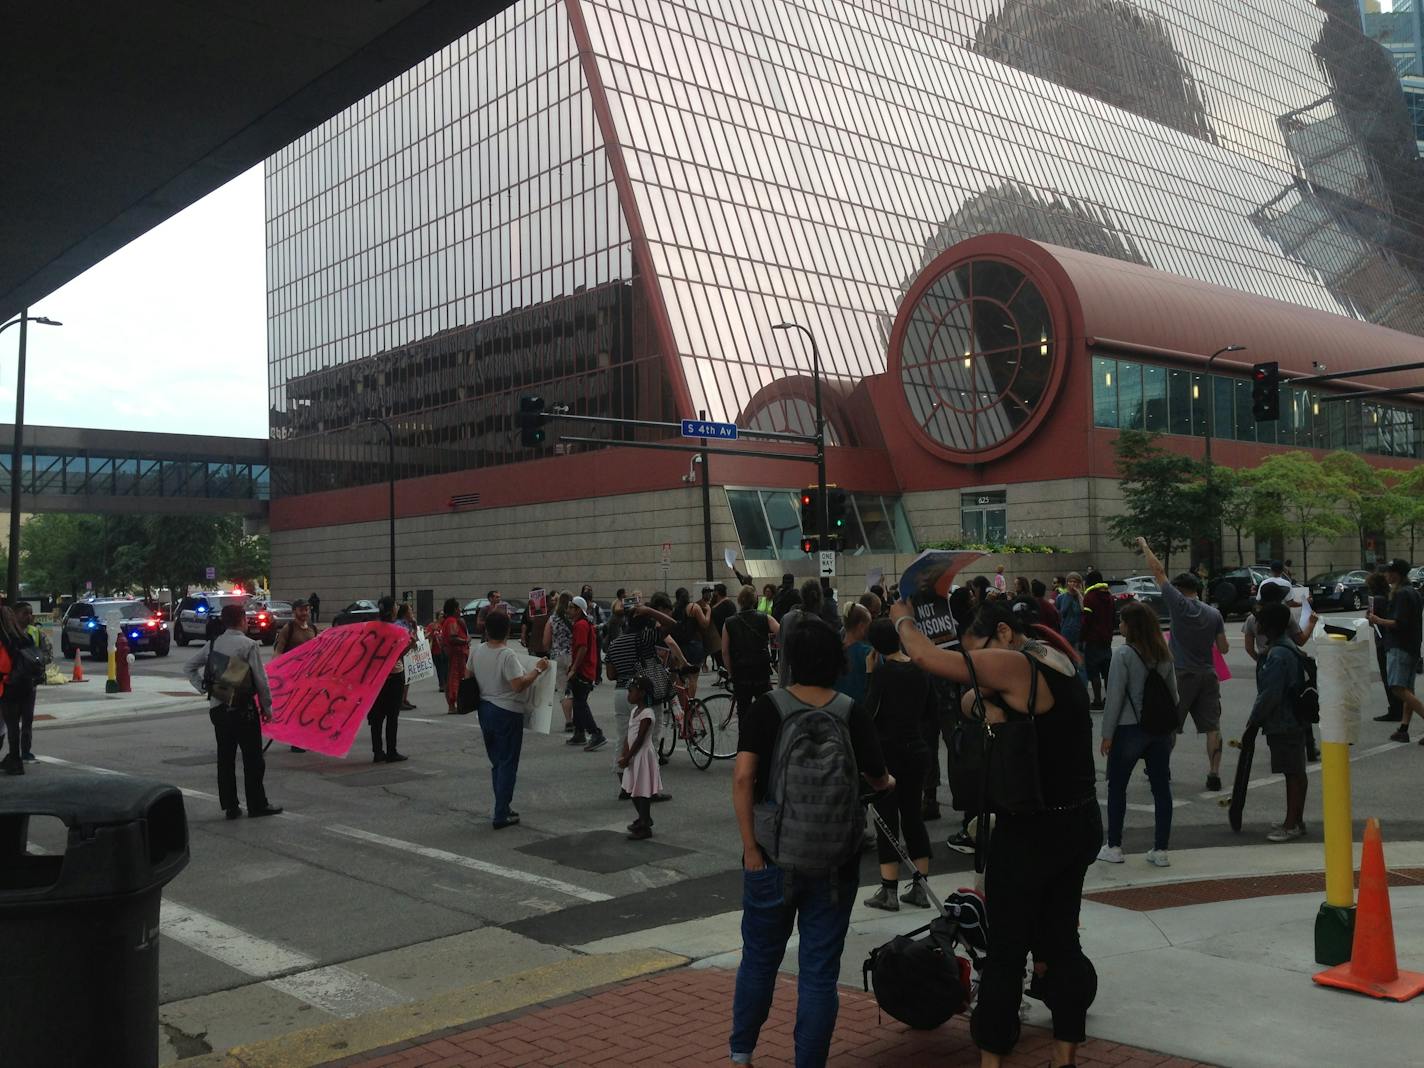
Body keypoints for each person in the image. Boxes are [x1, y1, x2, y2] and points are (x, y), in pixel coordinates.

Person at [890, 598, 1099, 1068]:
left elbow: (928, 660)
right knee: (1061, 943)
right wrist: (977, 700)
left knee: (1006, 952)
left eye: (980, 653)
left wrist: (902, 614)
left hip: (1031, 830)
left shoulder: (1014, 665)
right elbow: (973, 699)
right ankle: (1064, 1055)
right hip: (1079, 820)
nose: (979, 666)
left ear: (1003, 634)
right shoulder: (1054, 656)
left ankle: (992, 1061)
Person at [730, 616, 893, 1068]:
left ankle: (742, 1053)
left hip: (771, 857)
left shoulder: (768, 707)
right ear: (836, 661)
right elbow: (878, 778)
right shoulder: (850, 710)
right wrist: (887, 781)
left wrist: (750, 850)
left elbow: (744, 777)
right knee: (819, 974)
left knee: (759, 961)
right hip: (835, 865)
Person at [1139, 537, 1230, 792]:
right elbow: (1223, 647)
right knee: (1212, 726)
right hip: (1208, 675)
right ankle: (1214, 773)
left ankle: (1162, 768)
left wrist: (1145, 545)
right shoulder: (1214, 614)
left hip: (1182, 674)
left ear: (1179, 590)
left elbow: (1158, 571)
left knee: (1170, 725)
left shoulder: (1178, 605)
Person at [861, 617, 935, 911]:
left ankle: (888, 890)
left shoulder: (881, 674)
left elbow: (868, 713)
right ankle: (921, 886)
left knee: (887, 819)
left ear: (875, 646)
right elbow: (930, 713)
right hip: (916, 749)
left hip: (888, 752)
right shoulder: (920, 670)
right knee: (913, 816)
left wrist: (869, 674)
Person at [1098, 601, 1178, 867]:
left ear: (1130, 626)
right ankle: (1160, 849)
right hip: (1158, 730)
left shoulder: (1123, 654)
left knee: (1118, 787)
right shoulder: (1164, 652)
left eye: (1121, 621)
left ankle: (1114, 845)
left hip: (1128, 727)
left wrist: (1107, 733)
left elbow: (1115, 697)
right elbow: (1173, 695)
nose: (1119, 625)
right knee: (1161, 788)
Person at [184, 603, 282, 818]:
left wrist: (202, 687)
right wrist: (267, 708)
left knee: (225, 758)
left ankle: (230, 806)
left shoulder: (212, 645)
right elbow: (261, 680)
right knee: (253, 758)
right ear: (241, 620)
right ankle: (257, 804)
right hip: (244, 710)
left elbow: (189, 666)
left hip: (218, 709)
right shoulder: (248, 645)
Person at [470, 610, 549, 829]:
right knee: (507, 763)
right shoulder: (507, 655)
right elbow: (518, 684)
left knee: (497, 761)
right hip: (506, 711)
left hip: (485, 709)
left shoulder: (476, 651)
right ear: (507, 630)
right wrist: (537, 670)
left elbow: (468, 676)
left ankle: (502, 805)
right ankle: (501, 812)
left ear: (486, 629)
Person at [1249, 603, 1310, 841]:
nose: (1257, 625)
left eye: (1260, 621)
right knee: (1294, 771)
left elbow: (1270, 694)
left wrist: (1254, 719)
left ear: (1270, 626)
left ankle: (1291, 824)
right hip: (1294, 718)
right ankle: (1295, 818)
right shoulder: (1287, 648)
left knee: (1293, 772)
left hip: (1284, 720)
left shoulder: (1277, 654)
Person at [1369, 559, 1424, 743]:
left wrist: (1378, 620)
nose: (1386, 575)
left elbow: (1399, 623)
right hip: (1412, 645)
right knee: (1407, 689)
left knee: (1397, 687)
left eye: (1389, 572)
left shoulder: (1401, 594)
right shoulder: (1413, 592)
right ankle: (1403, 728)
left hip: (1400, 646)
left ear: (1397, 574)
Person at [723, 585, 779, 726]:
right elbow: (782, 631)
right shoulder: (765, 618)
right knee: (767, 707)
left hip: (740, 673)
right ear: (755, 600)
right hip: (761, 670)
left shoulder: (729, 622)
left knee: (743, 711)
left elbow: (725, 651)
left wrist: (731, 674)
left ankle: (745, 743)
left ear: (740, 601)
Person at [367, 596, 412, 763]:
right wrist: (409, 646)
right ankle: (391, 751)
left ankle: (378, 751)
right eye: (395, 606)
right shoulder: (395, 631)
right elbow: (395, 657)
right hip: (393, 676)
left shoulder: (373, 629)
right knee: (392, 715)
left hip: (377, 677)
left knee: (377, 716)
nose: (396, 609)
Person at [619, 672, 662, 840]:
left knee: (642, 792)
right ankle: (644, 818)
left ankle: (645, 826)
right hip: (633, 756)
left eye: (631, 691)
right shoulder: (635, 711)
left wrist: (628, 756)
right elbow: (629, 735)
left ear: (642, 693)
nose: (628, 694)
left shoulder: (647, 714)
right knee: (632, 789)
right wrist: (625, 752)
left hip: (642, 756)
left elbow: (640, 739)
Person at [274, 598, 319, 753]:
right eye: (301, 610)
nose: (305, 613)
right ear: (295, 612)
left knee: (308, 708)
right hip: (292, 676)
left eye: (307, 610)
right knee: (296, 709)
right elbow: (278, 651)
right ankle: (295, 740)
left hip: (309, 676)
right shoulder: (289, 628)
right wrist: (277, 671)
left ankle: (305, 738)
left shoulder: (313, 628)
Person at [0, 606, 40, 773]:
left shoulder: (4, 639)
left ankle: (15, 759)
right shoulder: (26, 637)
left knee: (11, 726)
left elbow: (3, 665)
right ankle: (17, 757)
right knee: (20, 723)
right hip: (27, 686)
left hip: (9, 686)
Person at [566, 595, 607, 750]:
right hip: (586, 668)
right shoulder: (583, 623)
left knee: (580, 703)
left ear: (578, 610)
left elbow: (582, 648)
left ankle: (596, 733)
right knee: (578, 701)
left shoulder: (581, 625)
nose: (568, 610)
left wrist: (574, 669)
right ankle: (579, 733)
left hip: (584, 669)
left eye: (571, 607)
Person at [1366, 573, 1405, 723]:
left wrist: (1370, 617)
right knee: (1393, 675)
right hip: (1390, 640)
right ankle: (1398, 707)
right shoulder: (1388, 597)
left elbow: (1370, 619)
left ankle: (1395, 709)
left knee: (1386, 675)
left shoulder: (1376, 600)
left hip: (1382, 641)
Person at [777, 580, 824, 687]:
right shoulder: (818, 624)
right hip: (808, 685)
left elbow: (780, 643)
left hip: (785, 681)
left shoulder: (786, 618)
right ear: (820, 599)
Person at [1079, 570, 1114, 709]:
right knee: (1107, 672)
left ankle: (1097, 700)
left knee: (1094, 671)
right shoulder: (1109, 596)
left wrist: (1082, 638)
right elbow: (1112, 618)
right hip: (1107, 639)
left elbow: (1086, 620)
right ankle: (1110, 699)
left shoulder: (1090, 597)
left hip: (1093, 639)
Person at [546, 591, 575, 731]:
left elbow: (546, 641)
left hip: (557, 656)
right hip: (574, 656)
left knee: (563, 690)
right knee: (576, 689)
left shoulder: (552, 619)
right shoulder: (575, 618)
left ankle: (568, 721)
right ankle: (578, 719)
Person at [834, 602, 873, 702]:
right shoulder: (869, 653)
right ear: (861, 626)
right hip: (860, 709)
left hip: (836, 708)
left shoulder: (833, 651)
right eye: (869, 625)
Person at [440, 597, 471, 715]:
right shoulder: (452, 621)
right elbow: (453, 637)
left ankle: (454, 704)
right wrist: (465, 641)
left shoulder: (451, 621)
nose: (460, 610)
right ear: (454, 609)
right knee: (455, 679)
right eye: (458, 608)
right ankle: (453, 704)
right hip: (456, 655)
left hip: (455, 654)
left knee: (453, 678)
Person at [396, 602, 419, 711]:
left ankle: (404, 699)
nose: (412, 613)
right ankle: (400, 700)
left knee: (407, 677)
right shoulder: (399, 624)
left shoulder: (409, 624)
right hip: (401, 654)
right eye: (410, 611)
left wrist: (414, 626)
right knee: (403, 678)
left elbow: (416, 639)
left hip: (408, 652)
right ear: (405, 613)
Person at [1056, 572, 1084, 653]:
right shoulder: (1061, 597)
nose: (1072, 584)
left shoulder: (1081, 597)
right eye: (1070, 581)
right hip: (1065, 631)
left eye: (1075, 582)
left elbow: (1083, 609)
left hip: (1078, 633)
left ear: (1079, 583)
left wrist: (1078, 593)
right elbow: (1059, 613)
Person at [427, 610, 449, 694]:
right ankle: (441, 684)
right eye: (441, 615)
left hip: (445, 650)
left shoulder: (446, 625)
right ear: (437, 616)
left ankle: (446, 683)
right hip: (436, 650)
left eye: (444, 615)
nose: (443, 616)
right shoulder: (432, 625)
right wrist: (432, 631)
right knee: (439, 668)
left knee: (446, 667)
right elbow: (427, 636)